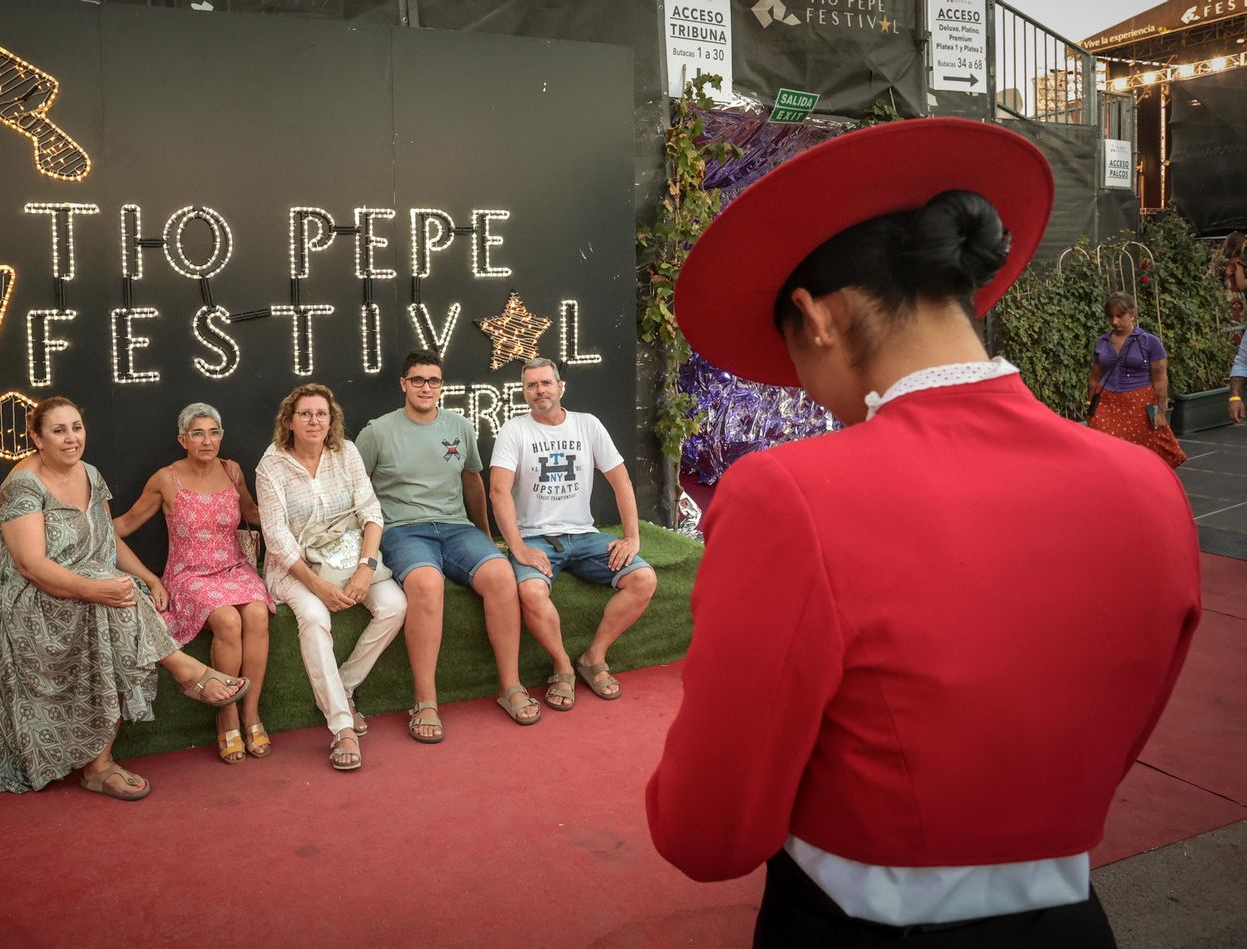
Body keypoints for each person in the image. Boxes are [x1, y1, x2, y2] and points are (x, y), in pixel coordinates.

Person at [650, 118, 1199, 947]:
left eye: (788, 351)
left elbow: (708, 832)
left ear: (816, 316)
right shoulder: (1149, 487)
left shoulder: (789, 493)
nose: (801, 385)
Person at [0, 396, 249, 801]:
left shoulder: (90, 474)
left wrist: (150, 578)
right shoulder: (22, 487)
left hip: (87, 585)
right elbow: (31, 566)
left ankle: (101, 764)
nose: (71, 439)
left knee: (118, 599)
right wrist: (95, 588)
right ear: (37, 437)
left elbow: (106, 540)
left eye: (76, 427)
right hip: (26, 598)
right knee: (111, 599)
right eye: (59, 430)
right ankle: (183, 672)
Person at [355, 351, 536, 738]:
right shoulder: (376, 432)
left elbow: (473, 481)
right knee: (426, 584)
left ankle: (511, 686)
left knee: (502, 575)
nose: (425, 387)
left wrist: (485, 534)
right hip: (403, 530)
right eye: (417, 380)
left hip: (456, 528)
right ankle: (425, 701)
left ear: (442, 386)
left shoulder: (461, 426)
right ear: (403, 384)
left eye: (433, 381)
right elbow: (357, 489)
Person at [487, 357, 657, 713]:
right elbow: (498, 492)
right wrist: (517, 547)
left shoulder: (587, 425)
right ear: (524, 391)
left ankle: (594, 658)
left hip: (584, 534)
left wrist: (632, 537)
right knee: (530, 591)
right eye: (531, 385)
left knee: (643, 578)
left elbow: (620, 479)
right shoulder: (514, 430)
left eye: (546, 383)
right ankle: (562, 665)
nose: (539, 391)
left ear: (560, 386)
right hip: (535, 538)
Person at [113, 402, 275, 764]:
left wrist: (298, 512)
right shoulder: (165, 479)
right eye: (198, 434)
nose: (207, 440)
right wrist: (84, 533)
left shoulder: (232, 471)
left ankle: (251, 712)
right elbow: (121, 526)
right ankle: (227, 714)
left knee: (257, 615)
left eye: (214, 432)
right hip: (190, 574)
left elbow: (251, 514)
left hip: (235, 566)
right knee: (229, 621)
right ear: (182, 439)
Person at [256, 383, 406, 771]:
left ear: (331, 419)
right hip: (296, 568)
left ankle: (344, 685)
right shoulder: (271, 465)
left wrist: (365, 567)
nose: (314, 421)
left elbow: (371, 512)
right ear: (289, 421)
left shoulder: (347, 452)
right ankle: (342, 727)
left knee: (394, 605)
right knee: (315, 617)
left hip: (351, 557)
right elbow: (276, 540)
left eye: (321, 413)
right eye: (305, 414)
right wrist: (317, 585)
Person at [1087, 291, 1187, 468]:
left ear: (1132, 314)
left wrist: (1161, 412)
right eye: (1110, 317)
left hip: (1139, 404)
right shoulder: (1102, 342)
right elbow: (1094, 376)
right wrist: (1091, 407)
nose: (1114, 322)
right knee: (1105, 453)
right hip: (1107, 404)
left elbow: (1160, 379)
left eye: (1120, 316)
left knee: (1146, 453)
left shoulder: (1149, 342)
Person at [1222, 232, 1246, 425]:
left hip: (1230, 299)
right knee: (1236, 330)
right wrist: (1235, 396)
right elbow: (1241, 284)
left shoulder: (1228, 262)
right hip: (1235, 301)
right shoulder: (1237, 264)